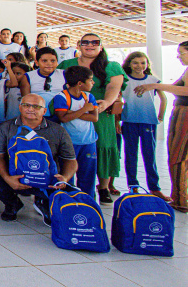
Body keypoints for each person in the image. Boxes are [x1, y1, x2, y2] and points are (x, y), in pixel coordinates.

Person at [0, 94, 78, 224]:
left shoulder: (58, 130)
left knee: (67, 192)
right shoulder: (6, 127)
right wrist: (7, 178)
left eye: (36, 106)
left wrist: (65, 178)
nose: (30, 109)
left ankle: (44, 203)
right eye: (26, 105)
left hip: (47, 179)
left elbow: (71, 160)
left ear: (44, 111)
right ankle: (13, 204)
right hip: (15, 177)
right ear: (20, 107)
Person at [58, 33, 127, 204]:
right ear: (79, 45)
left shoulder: (111, 66)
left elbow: (114, 87)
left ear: (101, 46)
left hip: (101, 113)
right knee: (71, 149)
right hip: (71, 110)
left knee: (103, 146)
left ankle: (103, 187)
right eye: (85, 42)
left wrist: (105, 103)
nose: (90, 45)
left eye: (94, 42)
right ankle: (68, 186)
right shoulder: (67, 64)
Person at [133, 40, 188, 212]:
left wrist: (155, 85)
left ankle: (181, 200)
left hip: (185, 115)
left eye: (182, 53)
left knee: (178, 157)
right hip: (181, 112)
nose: (178, 56)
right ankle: (180, 197)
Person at [120, 52, 169, 201]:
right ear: (129, 64)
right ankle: (133, 186)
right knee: (131, 154)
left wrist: (160, 115)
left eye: (143, 63)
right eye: (135, 63)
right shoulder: (124, 79)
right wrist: (117, 121)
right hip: (129, 122)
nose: (139, 66)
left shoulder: (153, 80)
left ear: (147, 64)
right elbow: (117, 99)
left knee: (149, 155)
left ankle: (155, 188)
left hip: (148, 122)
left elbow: (163, 98)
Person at [52, 65, 99, 197]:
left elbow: (94, 117)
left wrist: (72, 112)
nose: (93, 83)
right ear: (80, 83)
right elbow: (63, 118)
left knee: (88, 175)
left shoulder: (89, 97)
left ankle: (88, 201)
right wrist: (84, 110)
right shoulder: (61, 97)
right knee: (67, 176)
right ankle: (69, 202)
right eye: (90, 80)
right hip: (69, 143)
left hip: (88, 142)